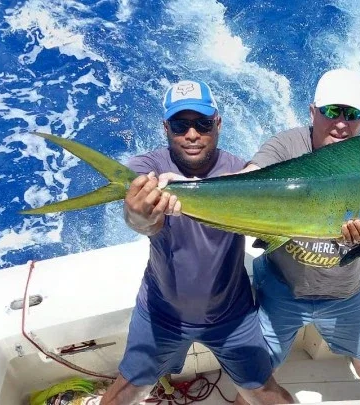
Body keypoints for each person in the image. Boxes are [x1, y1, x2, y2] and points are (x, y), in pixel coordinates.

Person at [101, 80, 293, 405]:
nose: (192, 134)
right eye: (180, 125)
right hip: (161, 313)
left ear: (218, 123)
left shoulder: (241, 172)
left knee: (265, 392)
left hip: (232, 316)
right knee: (126, 390)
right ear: (166, 128)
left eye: (202, 123)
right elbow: (142, 221)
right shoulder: (150, 168)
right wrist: (140, 213)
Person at [240, 68, 360, 401]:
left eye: (351, 114)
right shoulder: (286, 145)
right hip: (282, 288)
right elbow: (250, 176)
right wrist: (189, 189)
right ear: (312, 112)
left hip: (344, 293)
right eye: (331, 111)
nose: (341, 123)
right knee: (257, 371)